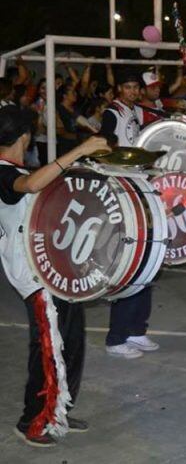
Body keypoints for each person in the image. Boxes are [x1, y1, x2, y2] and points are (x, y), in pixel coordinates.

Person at [0, 106, 109, 446]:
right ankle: (32, 421)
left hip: (52, 269)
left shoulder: (17, 168)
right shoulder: (4, 173)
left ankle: (57, 410)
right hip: (33, 275)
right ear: (24, 137)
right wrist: (80, 150)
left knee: (71, 341)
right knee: (48, 348)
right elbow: (30, 185)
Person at [99, 70, 159, 359]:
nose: (134, 91)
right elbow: (104, 144)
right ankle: (116, 338)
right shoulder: (113, 113)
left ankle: (137, 330)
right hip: (122, 190)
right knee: (129, 265)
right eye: (129, 87)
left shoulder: (135, 111)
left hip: (137, 185)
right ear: (119, 88)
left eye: (137, 87)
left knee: (146, 263)